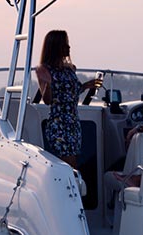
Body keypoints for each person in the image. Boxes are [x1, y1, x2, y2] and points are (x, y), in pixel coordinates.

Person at [35, 30, 101, 168]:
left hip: (74, 122)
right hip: (59, 124)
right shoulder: (43, 70)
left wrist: (86, 86)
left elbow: (71, 93)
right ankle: (73, 188)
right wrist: (48, 84)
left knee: (73, 162)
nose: (69, 47)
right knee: (69, 164)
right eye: (65, 44)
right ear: (55, 47)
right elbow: (48, 101)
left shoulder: (70, 68)